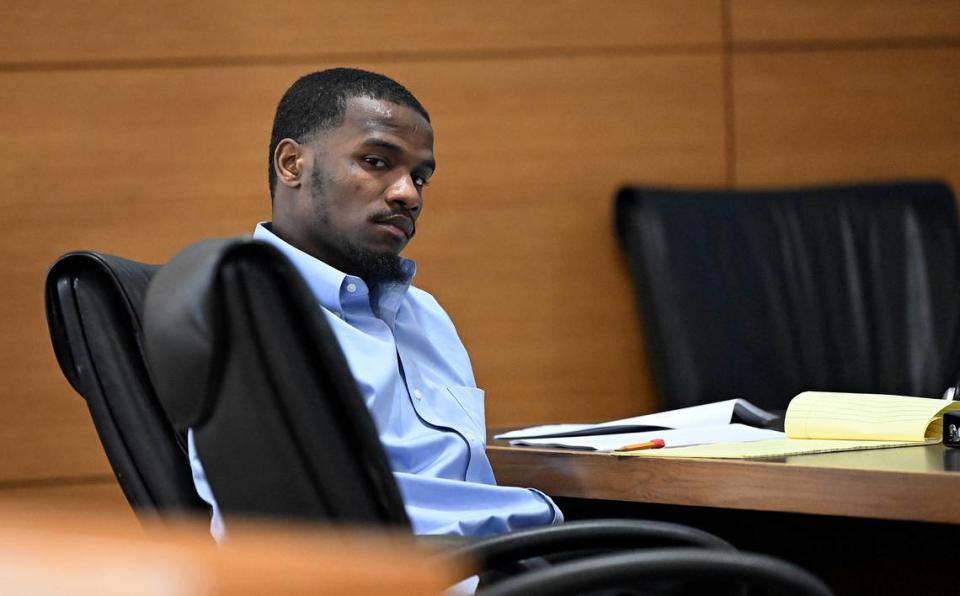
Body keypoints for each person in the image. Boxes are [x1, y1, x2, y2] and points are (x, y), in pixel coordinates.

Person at [189, 67, 562, 539]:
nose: (408, 194)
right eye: (376, 161)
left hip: (515, 561)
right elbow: (300, 532)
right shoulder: (246, 314)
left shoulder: (425, 316)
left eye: (420, 177)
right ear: (292, 165)